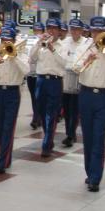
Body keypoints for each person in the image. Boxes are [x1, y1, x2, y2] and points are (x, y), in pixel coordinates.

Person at [74, 16, 105, 192]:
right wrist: (86, 61)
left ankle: (96, 177)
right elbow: (73, 66)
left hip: (104, 96)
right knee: (87, 136)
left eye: (99, 31)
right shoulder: (84, 46)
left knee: (98, 137)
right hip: (86, 94)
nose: (96, 34)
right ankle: (90, 172)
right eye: (93, 31)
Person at [0, 27, 29, 174]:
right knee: (0, 125)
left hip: (12, 92)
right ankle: (5, 157)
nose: (5, 43)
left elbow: (26, 70)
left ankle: (2, 160)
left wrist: (14, 56)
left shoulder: (21, 54)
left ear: (14, 41)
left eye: (8, 41)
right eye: (3, 40)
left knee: (8, 127)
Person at [30, 18, 67, 157]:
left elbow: (64, 63)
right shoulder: (41, 44)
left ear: (59, 31)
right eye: (49, 28)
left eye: (54, 29)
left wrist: (53, 49)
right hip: (40, 81)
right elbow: (31, 59)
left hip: (54, 81)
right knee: (41, 111)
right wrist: (38, 44)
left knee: (51, 114)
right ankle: (48, 139)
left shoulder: (62, 46)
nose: (51, 31)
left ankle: (46, 144)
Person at [61, 19, 88, 148]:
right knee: (66, 109)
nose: (75, 32)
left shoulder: (86, 43)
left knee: (75, 109)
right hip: (66, 77)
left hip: (79, 77)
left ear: (82, 31)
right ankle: (69, 132)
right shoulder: (65, 41)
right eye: (72, 29)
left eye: (77, 29)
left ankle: (71, 134)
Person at [26, 22, 45, 130]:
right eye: (35, 30)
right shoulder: (29, 41)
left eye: (39, 30)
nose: (37, 32)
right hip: (30, 73)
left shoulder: (44, 42)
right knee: (33, 97)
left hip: (40, 74)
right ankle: (36, 117)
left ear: (43, 31)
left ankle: (36, 118)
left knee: (39, 97)